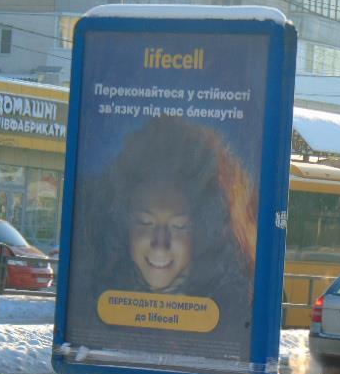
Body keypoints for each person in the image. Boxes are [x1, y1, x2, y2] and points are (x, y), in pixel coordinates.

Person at [87, 116, 257, 304]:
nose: (160, 243)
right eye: (145, 222)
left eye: (179, 226)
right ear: (121, 228)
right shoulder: (92, 302)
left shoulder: (234, 311)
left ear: (208, 234)